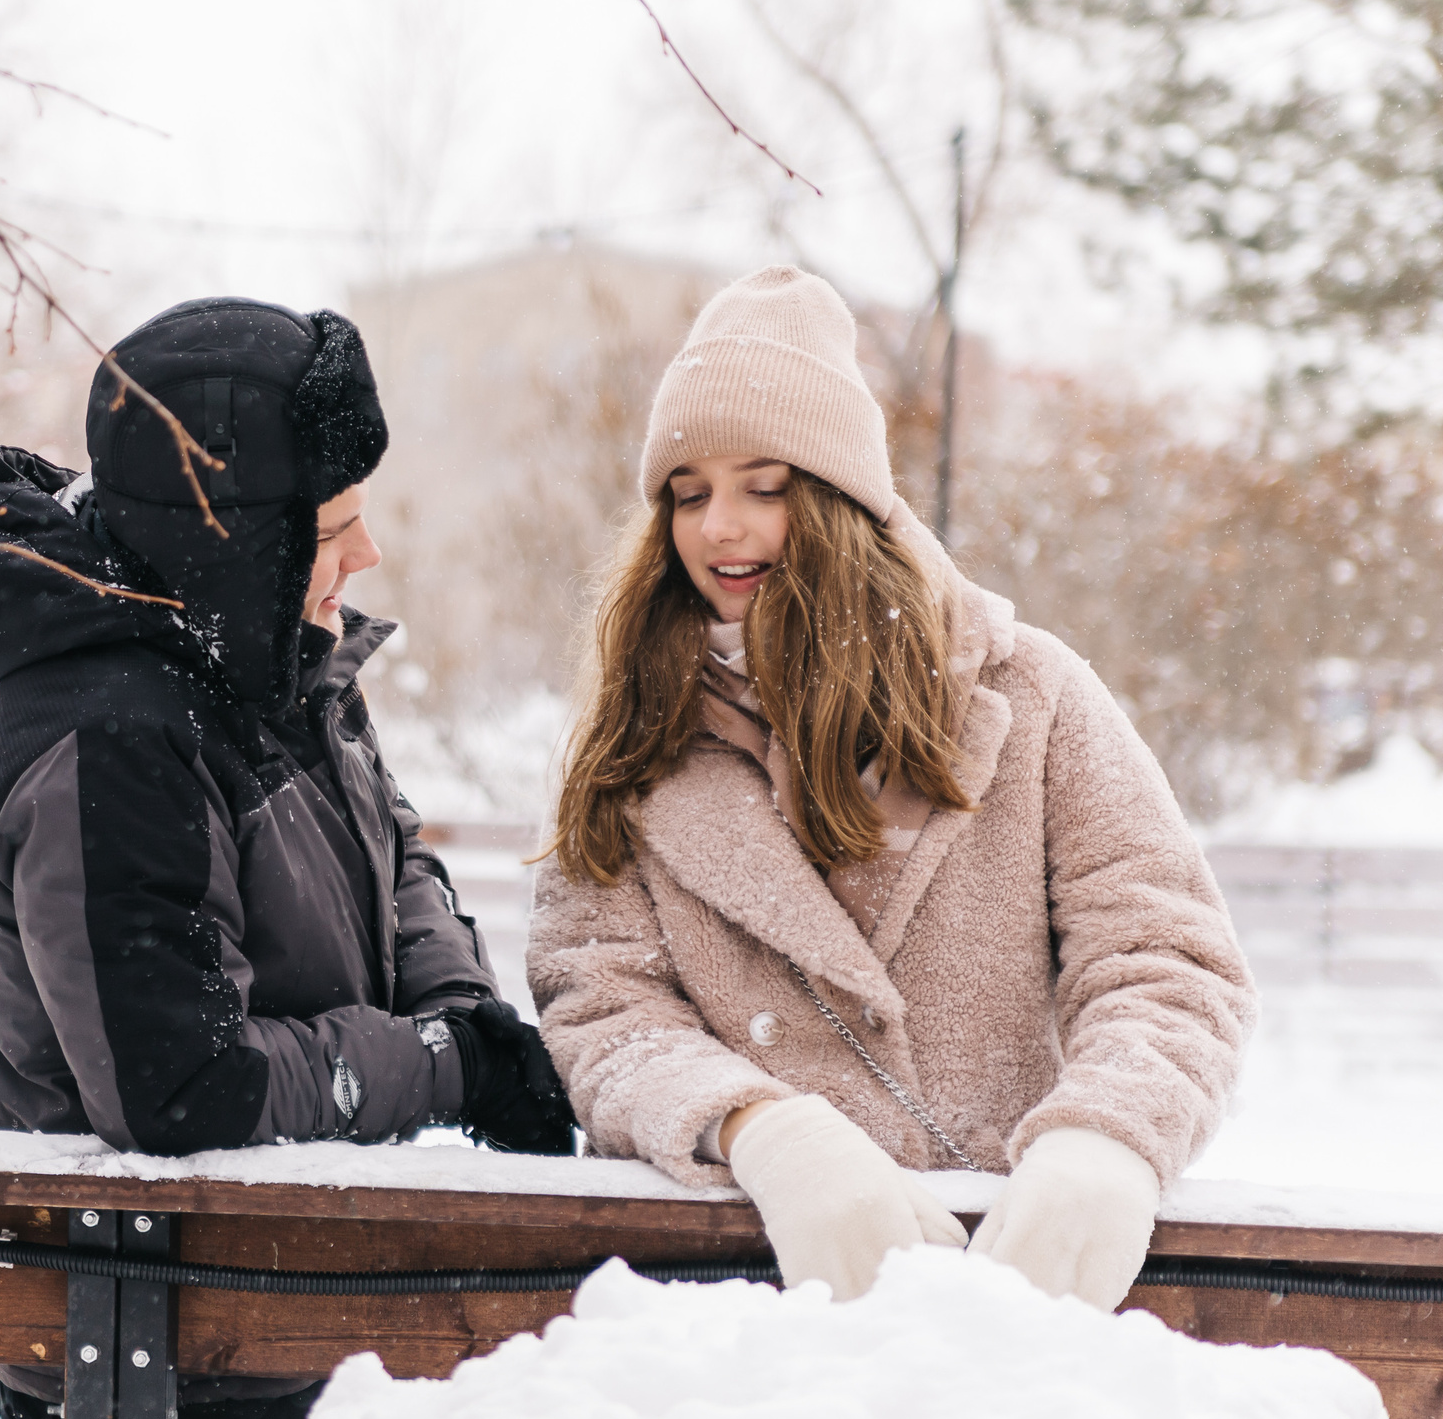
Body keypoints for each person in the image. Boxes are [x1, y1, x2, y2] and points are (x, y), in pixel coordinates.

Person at [527, 265, 1257, 1311]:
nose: (718, 527)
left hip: (1004, 1293)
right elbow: (600, 1008)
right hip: (721, 1297)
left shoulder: (1030, 694)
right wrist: (763, 1130)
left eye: (762, 487)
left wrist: (1103, 1142)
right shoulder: (631, 738)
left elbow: (1162, 957)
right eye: (687, 494)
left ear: (838, 502)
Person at [0, 295, 573, 1419]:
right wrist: (444, 1065)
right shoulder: (114, 734)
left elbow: (397, 858)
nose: (368, 554)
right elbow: (189, 1090)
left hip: (281, 1306)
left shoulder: (263, 657)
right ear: (232, 542)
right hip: (157, 1360)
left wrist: (463, 1011)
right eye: (331, 530)